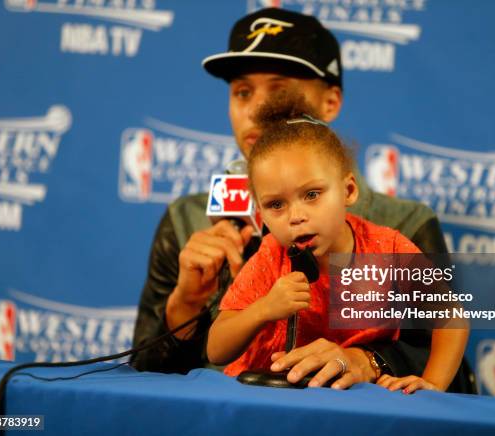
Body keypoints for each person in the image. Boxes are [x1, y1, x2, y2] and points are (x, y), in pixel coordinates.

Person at [131, 7, 454, 388]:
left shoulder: (403, 225)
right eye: (242, 92)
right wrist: (184, 307)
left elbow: (439, 346)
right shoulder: (186, 219)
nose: (256, 110)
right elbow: (144, 380)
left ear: (331, 102)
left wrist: (367, 359)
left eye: (279, 88)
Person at [206, 95, 468, 392]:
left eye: (312, 194)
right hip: (266, 397)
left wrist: (431, 384)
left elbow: (450, 317)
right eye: (276, 204)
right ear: (260, 212)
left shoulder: (388, 248)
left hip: (346, 398)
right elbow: (216, 350)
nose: (296, 216)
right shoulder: (270, 255)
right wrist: (264, 309)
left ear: (349, 190)